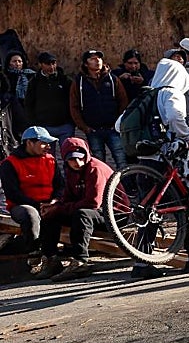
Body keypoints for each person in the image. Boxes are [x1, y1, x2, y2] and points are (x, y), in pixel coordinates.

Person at [129, 57, 189, 278]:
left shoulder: (145, 95)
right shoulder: (170, 92)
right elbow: (176, 118)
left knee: (149, 211)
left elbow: (121, 123)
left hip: (144, 162)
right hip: (168, 159)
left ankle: (142, 263)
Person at [35, 137, 114, 278]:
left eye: (80, 158)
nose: (77, 163)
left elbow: (93, 203)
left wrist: (61, 208)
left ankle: (80, 261)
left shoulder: (95, 169)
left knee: (82, 215)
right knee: (50, 215)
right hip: (88, 211)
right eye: (72, 159)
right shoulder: (71, 171)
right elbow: (68, 197)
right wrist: (55, 205)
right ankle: (51, 259)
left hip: (112, 215)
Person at [0, 126, 64, 272]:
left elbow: (60, 186)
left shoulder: (50, 160)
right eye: (44, 143)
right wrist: (37, 204)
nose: (48, 147)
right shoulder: (9, 164)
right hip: (22, 205)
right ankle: (34, 254)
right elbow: (12, 194)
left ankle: (52, 256)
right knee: (31, 214)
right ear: (29, 143)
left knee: (59, 213)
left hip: (48, 203)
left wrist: (55, 201)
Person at [69, 49, 129, 169]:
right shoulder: (79, 82)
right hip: (93, 130)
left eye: (99, 58)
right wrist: (84, 127)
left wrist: (118, 122)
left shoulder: (112, 79)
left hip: (113, 128)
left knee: (121, 160)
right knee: (98, 163)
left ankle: (126, 187)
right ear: (86, 64)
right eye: (92, 59)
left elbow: (123, 101)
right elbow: (74, 106)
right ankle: (101, 186)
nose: (97, 61)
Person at [24, 52, 75, 147]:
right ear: (40, 64)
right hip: (44, 126)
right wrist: (34, 123)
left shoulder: (65, 80)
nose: (51, 67)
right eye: (48, 64)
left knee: (69, 153)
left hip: (65, 125)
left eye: (53, 63)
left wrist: (72, 121)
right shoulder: (34, 82)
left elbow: (74, 100)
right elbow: (29, 103)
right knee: (47, 156)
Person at [2, 52, 33, 134]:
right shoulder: (5, 76)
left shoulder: (31, 75)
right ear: (9, 63)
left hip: (28, 108)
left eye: (20, 61)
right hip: (10, 110)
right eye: (14, 61)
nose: (17, 64)